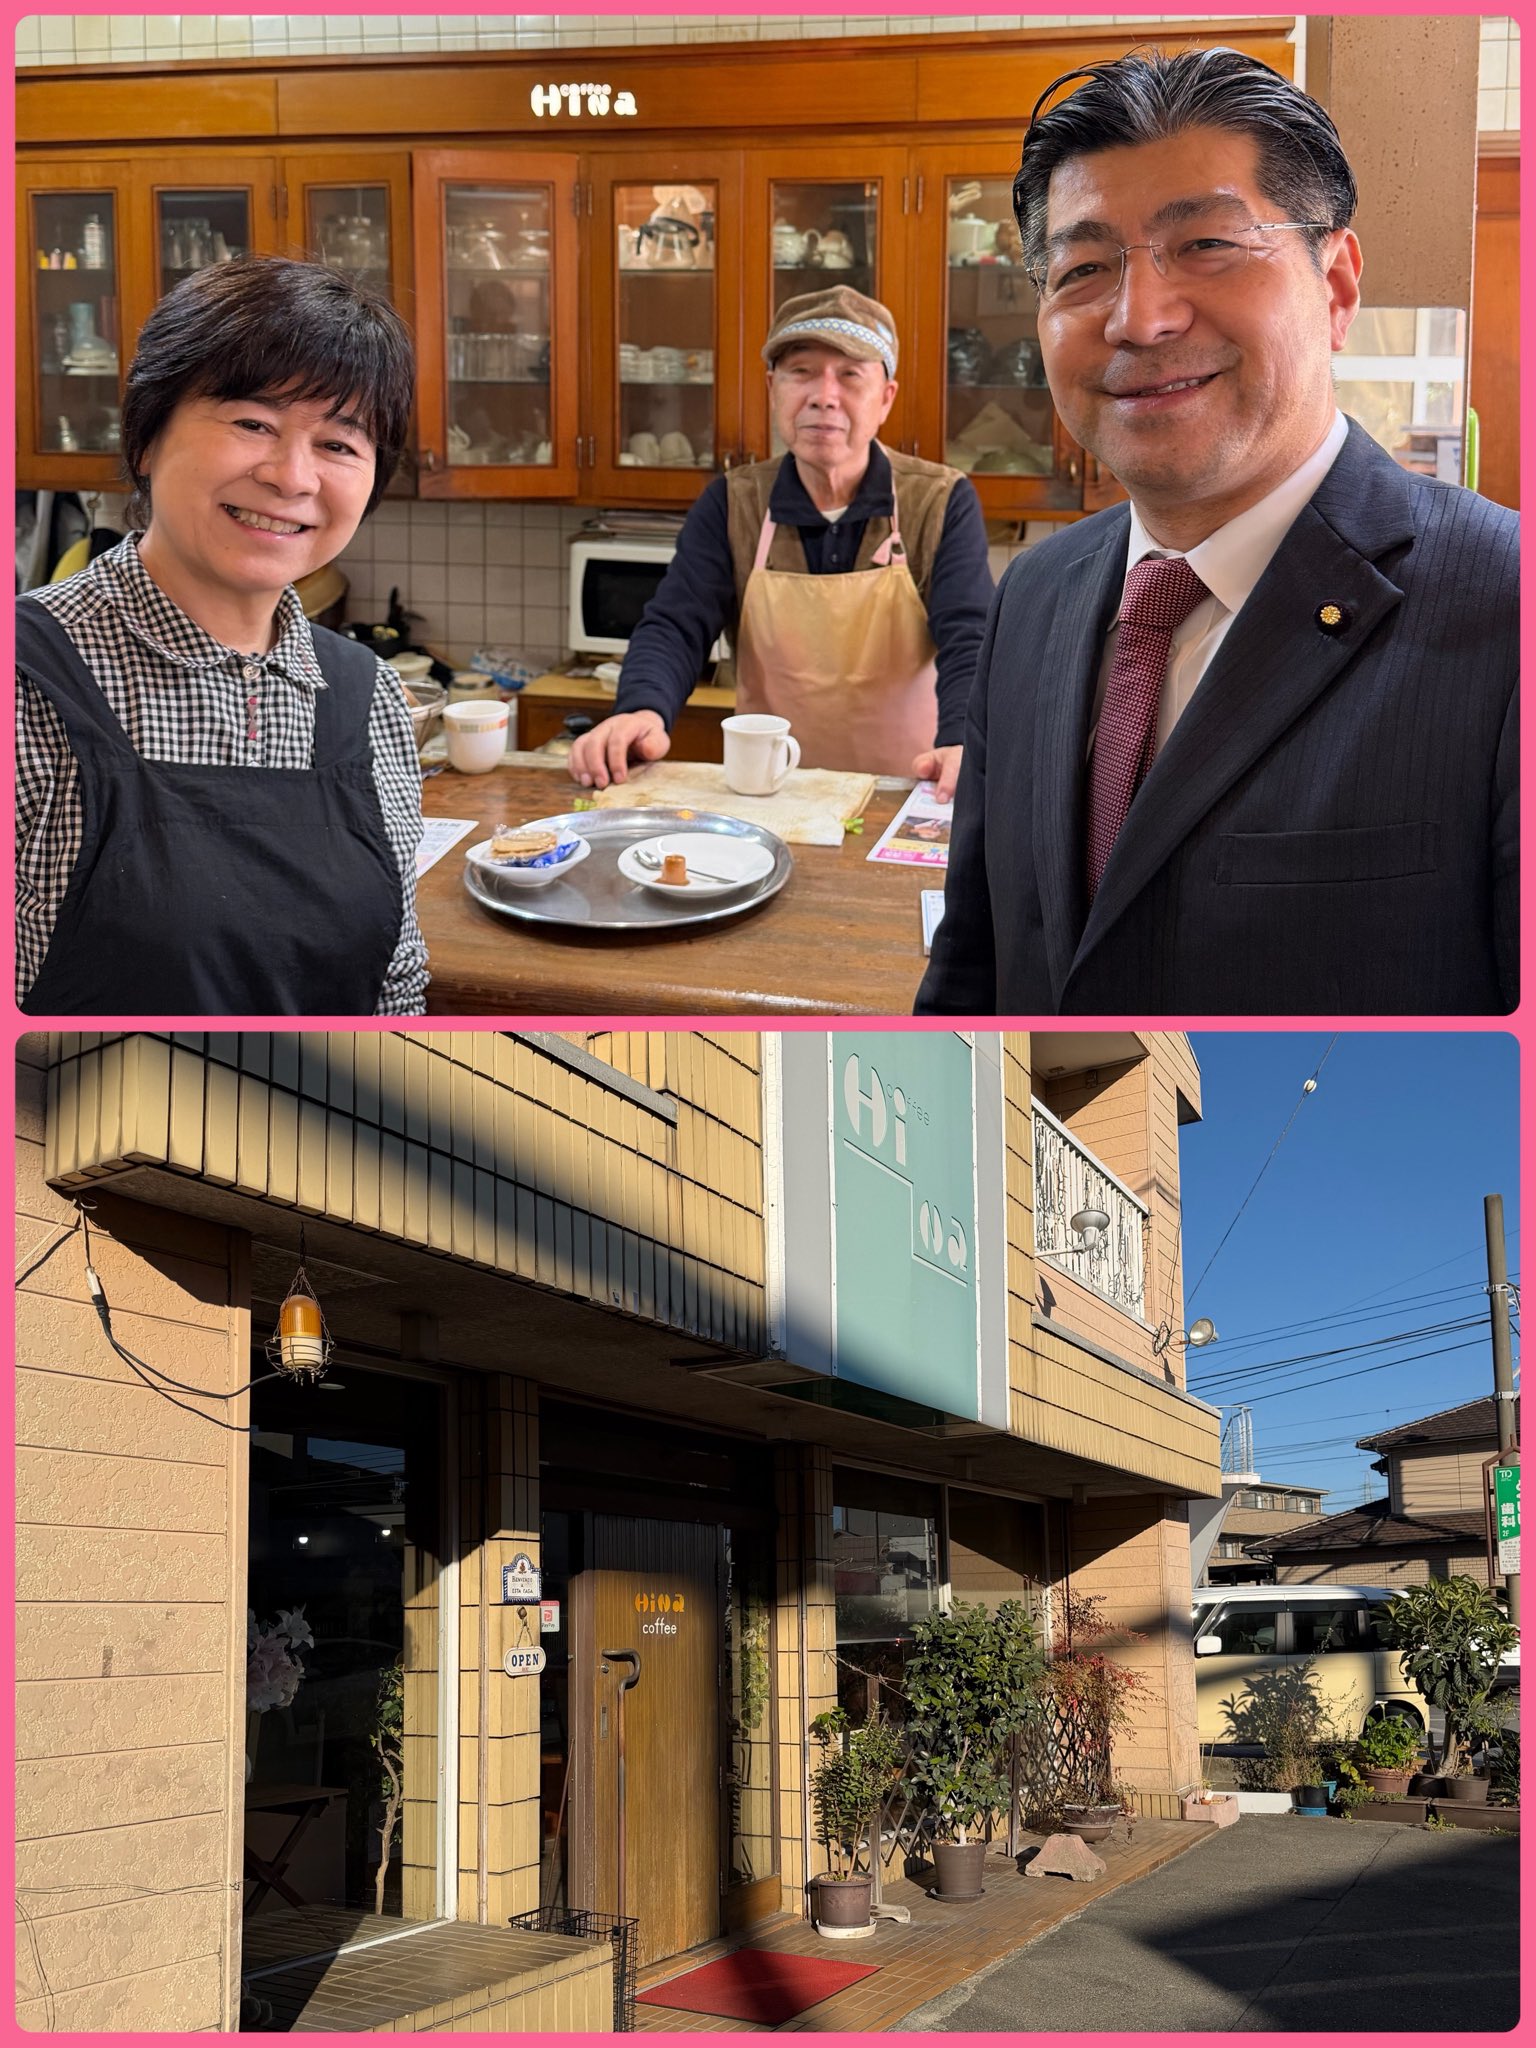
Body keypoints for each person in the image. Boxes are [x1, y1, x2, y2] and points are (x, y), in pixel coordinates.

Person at [918, 49, 1518, 1017]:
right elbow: (972, 973)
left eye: (1205, 244)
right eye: (1083, 269)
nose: (1139, 319)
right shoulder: (1032, 595)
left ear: (1336, 287)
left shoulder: (1505, 611)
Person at [16, 255, 426, 1016]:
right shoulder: (25, 684)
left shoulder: (368, 697)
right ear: (147, 437)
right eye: (252, 423)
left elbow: (394, 986)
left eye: (340, 444)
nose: (292, 477)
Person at [568, 286, 993, 801]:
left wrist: (962, 740)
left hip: (906, 788)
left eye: (850, 374)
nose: (823, 395)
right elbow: (676, 624)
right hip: (769, 792)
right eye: (801, 371)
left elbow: (970, 635)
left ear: (885, 397)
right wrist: (641, 709)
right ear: (773, 389)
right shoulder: (734, 503)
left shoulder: (938, 500)